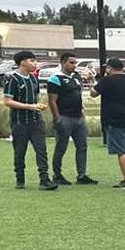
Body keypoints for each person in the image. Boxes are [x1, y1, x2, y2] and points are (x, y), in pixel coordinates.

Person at [2, 51, 56, 190]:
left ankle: (44, 180)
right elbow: (7, 101)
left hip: (36, 121)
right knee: (20, 151)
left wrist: (38, 106)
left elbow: (35, 98)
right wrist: (29, 106)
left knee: (41, 150)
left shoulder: (33, 78)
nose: (35, 64)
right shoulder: (12, 79)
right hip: (20, 122)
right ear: (22, 62)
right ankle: (20, 179)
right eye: (31, 61)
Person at [91, 59, 125, 189]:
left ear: (110, 68)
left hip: (116, 120)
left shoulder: (107, 80)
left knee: (122, 152)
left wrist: (96, 80)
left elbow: (93, 93)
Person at [47, 52, 97, 186]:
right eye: (71, 63)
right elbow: (52, 100)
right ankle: (57, 175)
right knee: (61, 147)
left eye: (75, 63)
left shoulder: (75, 77)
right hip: (64, 117)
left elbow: (78, 94)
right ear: (63, 62)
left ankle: (82, 175)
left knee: (82, 146)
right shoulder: (55, 79)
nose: (74, 65)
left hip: (78, 118)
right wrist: (57, 118)